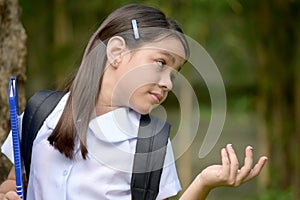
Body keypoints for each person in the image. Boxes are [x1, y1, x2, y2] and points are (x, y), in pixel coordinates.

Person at [0, 4, 267, 200]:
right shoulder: (41, 113)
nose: (168, 84)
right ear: (116, 51)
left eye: (175, 74)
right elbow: (13, 183)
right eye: (161, 63)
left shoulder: (151, 144)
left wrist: (204, 182)